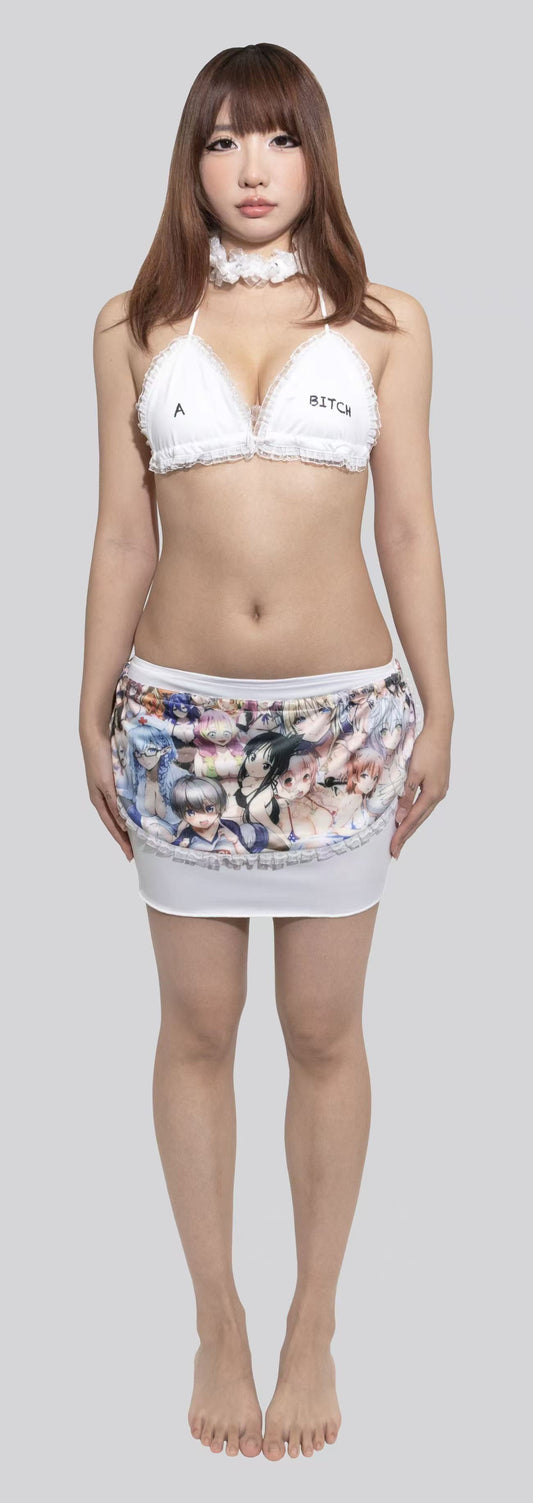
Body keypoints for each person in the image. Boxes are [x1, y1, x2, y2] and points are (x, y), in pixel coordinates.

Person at [79, 41, 453, 1463]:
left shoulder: (387, 323)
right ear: (191, 162)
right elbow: (123, 534)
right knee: (195, 1028)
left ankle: (313, 1322)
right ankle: (216, 1317)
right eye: (225, 140)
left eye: (279, 140)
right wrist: (87, 704)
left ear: (316, 157)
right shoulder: (131, 324)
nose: (252, 168)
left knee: (322, 1030)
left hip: (340, 724)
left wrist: (442, 704)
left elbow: (406, 526)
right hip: (178, 719)